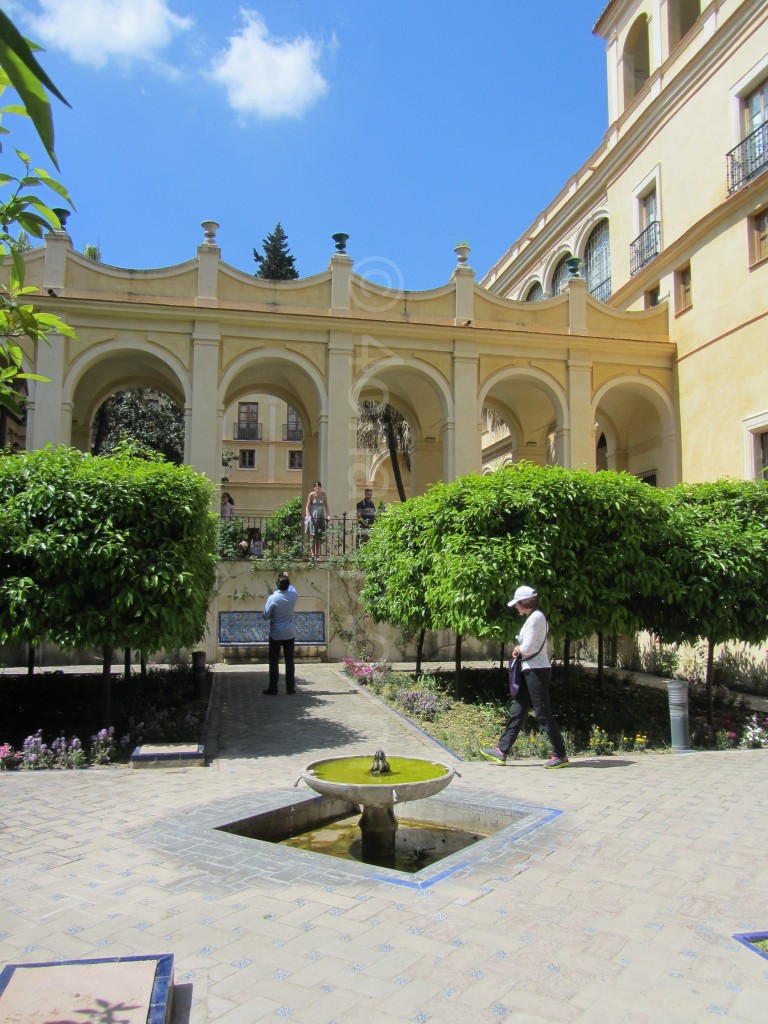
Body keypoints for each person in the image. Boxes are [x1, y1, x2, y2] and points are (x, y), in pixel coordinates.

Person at [480, 585, 569, 769]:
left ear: (523, 603)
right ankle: (502, 750)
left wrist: (518, 648)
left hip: (537, 671)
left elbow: (528, 647)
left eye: (517, 604)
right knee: (518, 710)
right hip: (532, 670)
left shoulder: (536, 618)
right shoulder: (534, 617)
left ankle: (560, 754)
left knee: (543, 712)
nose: (516, 608)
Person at [262, 572, 298, 695]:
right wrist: (287, 577)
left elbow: (265, 616)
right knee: (289, 660)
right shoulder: (293, 595)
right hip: (289, 632)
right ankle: (290, 688)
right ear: (288, 585)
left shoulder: (273, 598)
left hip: (276, 633)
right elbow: (292, 587)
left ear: (277, 585)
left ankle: (273, 688)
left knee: (274, 661)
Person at [305, 480, 330, 559]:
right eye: (316, 486)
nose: (317, 487)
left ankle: (317, 554)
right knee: (313, 536)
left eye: (319, 486)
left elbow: (326, 506)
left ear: (320, 487)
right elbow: (307, 506)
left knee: (318, 536)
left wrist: (328, 515)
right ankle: (312, 555)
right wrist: (307, 515)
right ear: (314, 487)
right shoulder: (311, 495)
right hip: (313, 517)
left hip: (320, 517)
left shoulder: (323, 495)